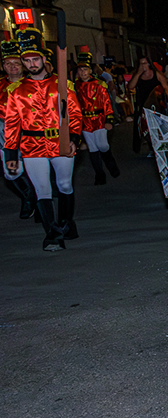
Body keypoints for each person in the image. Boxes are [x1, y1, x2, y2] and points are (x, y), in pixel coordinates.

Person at [6, 26, 84, 251]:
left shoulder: (62, 85)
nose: (31, 64)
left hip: (60, 141)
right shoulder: (16, 91)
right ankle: (52, 233)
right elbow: (12, 123)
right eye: (27, 60)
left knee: (64, 184)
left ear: (43, 59)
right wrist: (11, 153)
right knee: (42, 190)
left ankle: (67, 222)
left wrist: (74, 139)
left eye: (35, 59)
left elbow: (75, 114)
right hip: (31, 145)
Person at [73, 46, 120, 186]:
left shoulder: (99, 84)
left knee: (102, 145)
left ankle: (111, 165)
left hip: (99, 119)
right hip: (86, 121)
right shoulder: (75, 86)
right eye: (80, 70)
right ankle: (99, 174)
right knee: (92, 148)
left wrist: (109, 119)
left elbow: (107, 103)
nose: (83, 72)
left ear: (90, 70)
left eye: (85, 69)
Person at [0, 39, 35, 219]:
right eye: (8, 63)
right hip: (4, 134)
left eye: (16, 63)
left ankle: (40, 204)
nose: (12, 67)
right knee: (11, 173)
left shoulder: (34, 84)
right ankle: (28, 196)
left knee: (35, 171)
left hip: (31, 133)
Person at [128, 56, 168, 153]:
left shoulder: (157, 74)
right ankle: (151, 146)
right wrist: (138, 73)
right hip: (142, 104)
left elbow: (166, 88)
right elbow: (130, 87)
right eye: (141, 63)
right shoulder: (137, 76)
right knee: (144, 128)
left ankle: (160, 146)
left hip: (156, 105)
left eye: (144, 63)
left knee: (158, 127)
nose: (143, 65)